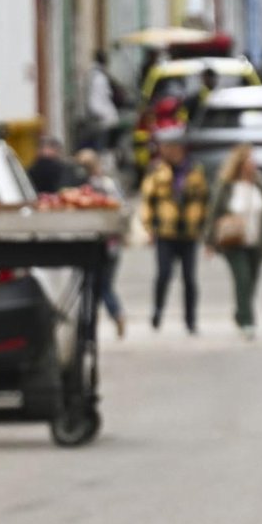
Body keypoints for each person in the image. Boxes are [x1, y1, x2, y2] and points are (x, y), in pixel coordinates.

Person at [203, 144, 262, 340]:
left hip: (256, 241)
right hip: (234, 242)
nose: (253, 164)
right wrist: (209, 242)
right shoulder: (226, 186)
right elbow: (214, 213)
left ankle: (241, 312)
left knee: (252, 281)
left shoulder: (260, 184)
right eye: (249, 160)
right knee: (242, 279)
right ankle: (248, 321)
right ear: (240, 163)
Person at [140, 126, 209, 335]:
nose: (166, 150)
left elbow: (204, 200)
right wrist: (149, 226)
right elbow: (147, 200)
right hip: (165, 231)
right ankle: (158, 310)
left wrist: (203, 226)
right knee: (164, 274)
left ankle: (190, 319)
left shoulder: (194, 170)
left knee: (189, 278)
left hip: (188, 232)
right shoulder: (157, 170)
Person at [75, 148, 128, 338]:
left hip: (96, 245)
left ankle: (93, 326)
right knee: (103, 286)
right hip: (111, 245)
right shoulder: (108, 185)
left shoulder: (83, 188)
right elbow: (123, 210)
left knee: (95, 288)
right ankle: (114, 316)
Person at [85, 49, 122, 149]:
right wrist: (104, 114)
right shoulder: (98, 78)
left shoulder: (97, 75)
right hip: (101, 117)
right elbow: (95, 99)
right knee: (101, 145)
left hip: (103, 116)